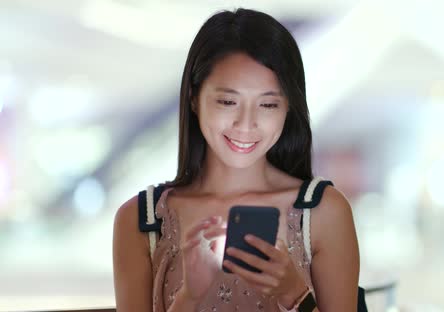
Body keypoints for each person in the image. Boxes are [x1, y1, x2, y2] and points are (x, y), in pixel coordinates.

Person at [113, 8, 359, 312]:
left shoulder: (323, 213)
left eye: (268, 104)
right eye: (228, 101)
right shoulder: (142, 221)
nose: (246, 123)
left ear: (288, 108)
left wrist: (295, 295)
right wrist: (189, 296)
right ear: (193, 98)